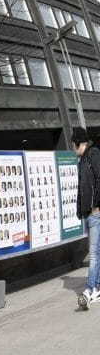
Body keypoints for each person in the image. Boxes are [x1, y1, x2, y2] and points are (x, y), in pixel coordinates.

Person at [75, 127, 100, 310]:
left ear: (79, 143)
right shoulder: (82, 160)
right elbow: (81, 187)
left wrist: (95, 205)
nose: (73, 148)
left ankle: (89, 290)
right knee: (97, 252)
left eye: (73, 145)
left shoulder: (94, 154)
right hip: (88, 213)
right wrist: (79, 209)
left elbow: (99, 179)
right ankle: (97, 289)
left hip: (95, 213)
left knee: (94, 253)